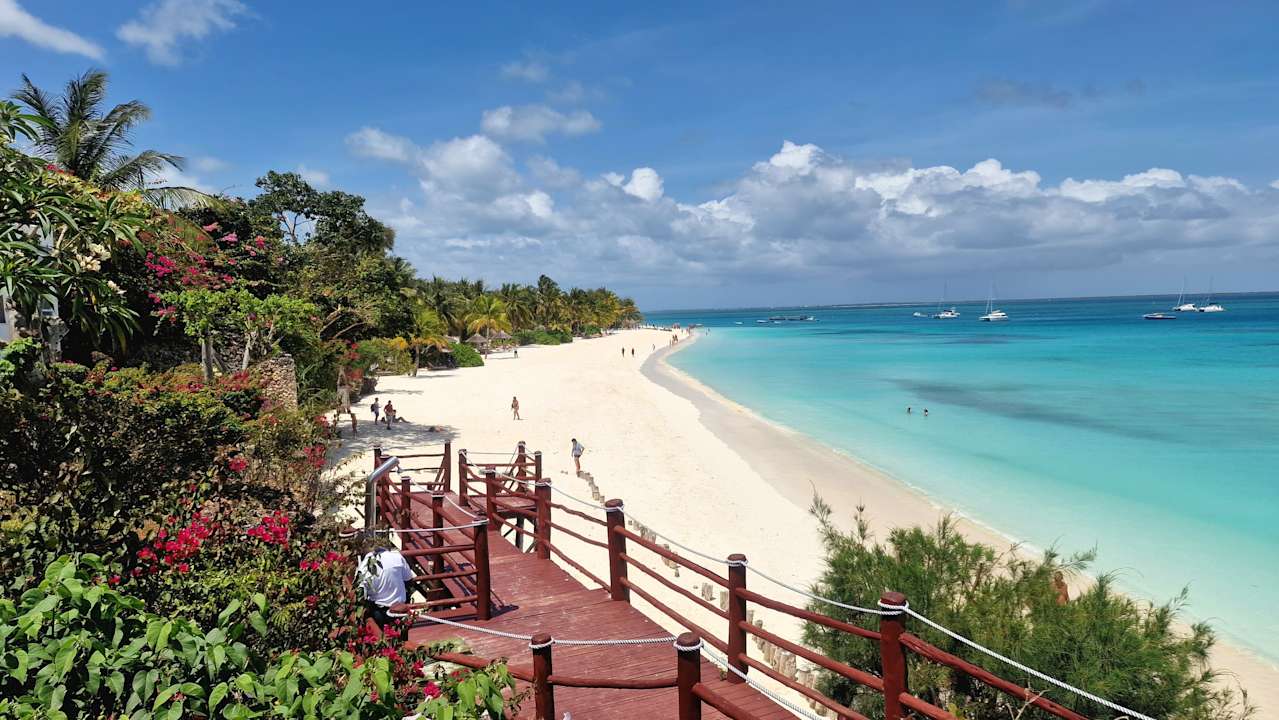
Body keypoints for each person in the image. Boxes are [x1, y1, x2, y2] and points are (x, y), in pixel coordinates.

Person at [354, 532, 415, 627]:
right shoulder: (397, 557)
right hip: (400, 608)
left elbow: (359, 592)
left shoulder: (364, 566)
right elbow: (409, 581)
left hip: (378, 610)